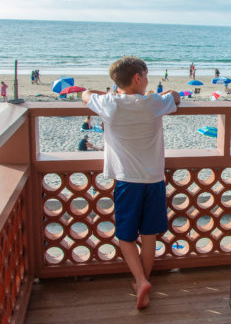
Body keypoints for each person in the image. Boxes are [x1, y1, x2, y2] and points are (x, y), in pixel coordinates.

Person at [82, 56, 180, 310]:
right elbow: (176, 96)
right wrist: (166, 91)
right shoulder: (154, 103)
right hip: (155, 180)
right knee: (149, 235)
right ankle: (143, 282)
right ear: (138, 78)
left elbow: (84, 95)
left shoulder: (109, 104)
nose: (148, 81)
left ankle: (139, 280)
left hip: (127, 181)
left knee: (126, 236)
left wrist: (103, 92)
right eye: (146, 76)